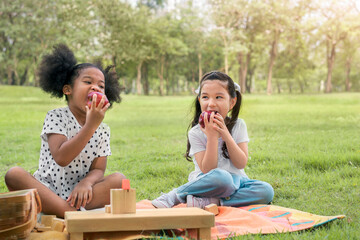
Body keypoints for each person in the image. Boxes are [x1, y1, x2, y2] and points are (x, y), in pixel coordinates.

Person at [5, 44, 125, 218]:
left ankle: (63, 211)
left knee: (119, 180)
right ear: (68, 89)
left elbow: (98, 170)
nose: (95, 88)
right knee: (14, 174)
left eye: (101, 86)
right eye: (87, 82)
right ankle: (70, 213)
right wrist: (90, 126)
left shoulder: (103, 129)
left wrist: (86, 183)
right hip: (48, 190)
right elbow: (61, 157)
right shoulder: (56, 117)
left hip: (79, 195)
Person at [152, 71, 274, 209]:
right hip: (210, 183)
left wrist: (226, 134)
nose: (211, 104)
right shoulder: (196, 133)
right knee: (223, 178)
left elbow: (241, 163)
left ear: (232, 102)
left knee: (266, 191)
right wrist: (212, 137)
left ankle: (213, 202)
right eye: (205, 97)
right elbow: (208, 169)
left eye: (218, 97)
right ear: (199, 100)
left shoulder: (239, 125)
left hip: (238, 183)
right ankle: (175, 195)